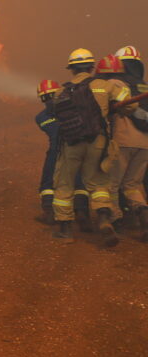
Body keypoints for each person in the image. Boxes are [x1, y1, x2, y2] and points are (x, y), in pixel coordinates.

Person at [50, 49, 130, 245]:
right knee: (99, 183)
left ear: (72, 69)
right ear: (92, 66)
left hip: (71, 143)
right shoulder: (104, 85)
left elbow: (56, 115)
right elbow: (130, 104)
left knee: (64, 184)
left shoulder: (62, 90)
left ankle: (65, 230)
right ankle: (104, 219)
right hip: (97, 141)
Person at [103, 47, 148, 239]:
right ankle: (145, 217)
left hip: (124, 139)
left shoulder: (116, 83)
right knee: (133, 184)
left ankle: (116, 221)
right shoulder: (144, 86)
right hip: (145, 143)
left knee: (112, 183)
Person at [35, 80, 90, 226]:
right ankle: (82, 212)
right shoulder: (73, 109)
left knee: (48, 179)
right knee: (78, 178)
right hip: (73, 147)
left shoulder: (41, 117)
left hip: (55, 151)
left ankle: (49, 212)